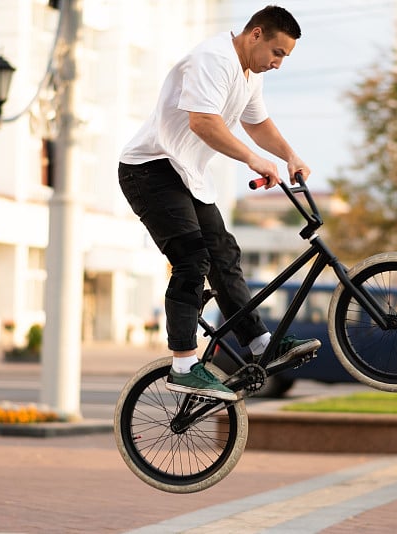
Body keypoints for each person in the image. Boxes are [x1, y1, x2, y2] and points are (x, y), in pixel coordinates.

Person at [118, 6, 320, 401]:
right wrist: (252, 158)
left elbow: (258, 124)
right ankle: (183, 366)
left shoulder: (248, 74)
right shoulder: (215, 59)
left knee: (225, 256)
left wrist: (288, 155)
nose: (278, 64)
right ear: (256, 34)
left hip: (186, 174)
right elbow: (202, 122)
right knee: (193, 260)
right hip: (150, 171)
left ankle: (262, 345)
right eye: (277, 53)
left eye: (285, 58)